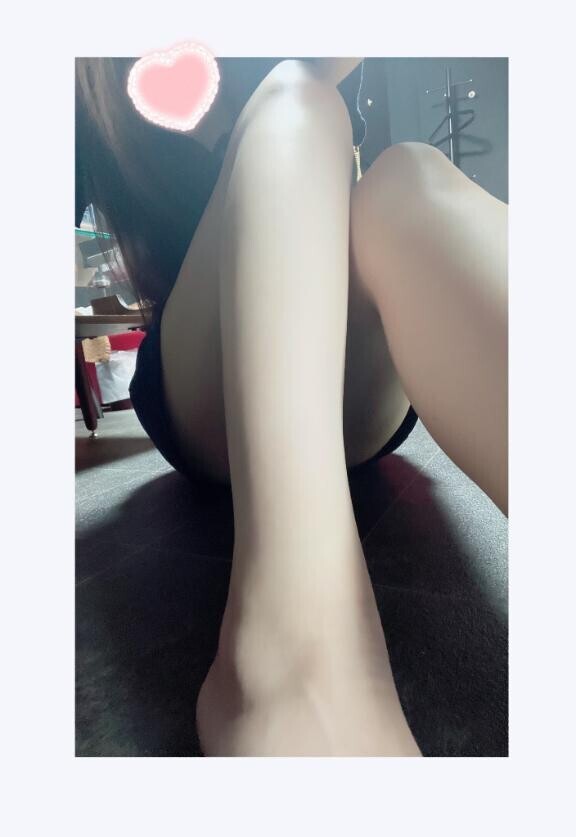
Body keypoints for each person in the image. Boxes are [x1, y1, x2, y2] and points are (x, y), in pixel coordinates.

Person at [75, 56, 507, 756]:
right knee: (294, 101)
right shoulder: (90, 69)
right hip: (201, 379)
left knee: (410, 177)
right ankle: (296, 659)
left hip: (358, 372)